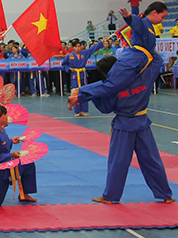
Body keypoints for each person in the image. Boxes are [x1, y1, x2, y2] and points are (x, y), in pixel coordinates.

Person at [68, 52, 174, 204]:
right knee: (152, 160)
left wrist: (91, 95)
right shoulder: (143, 76)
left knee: (118, 162)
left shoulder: (111, 87)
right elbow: (156, 59)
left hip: (124, 126)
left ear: (106, 73)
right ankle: (165, 194)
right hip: (143, 123)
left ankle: (111, 196)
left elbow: (105, 108)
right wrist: (140, 49)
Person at [0, 104, 37, 207]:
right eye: (5, 115)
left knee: (28, 163)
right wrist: (11, 155)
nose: (7, 117)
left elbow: (3, 144)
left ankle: (24, 194)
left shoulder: (1, 130)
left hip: (8, 163)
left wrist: (11, 141)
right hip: (0, 169)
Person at [62, 37, 107, 117]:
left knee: (85, 91)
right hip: (75, 75)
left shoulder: (84, 53)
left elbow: (93, 49)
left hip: (83, 74)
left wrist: (101, 42)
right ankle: (77, 111)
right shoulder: (70, 55)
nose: (78, 48)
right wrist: (69, 69)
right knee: (75, 92)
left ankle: (84, 110)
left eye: (79, 46)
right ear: (73, 47)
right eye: (76, 46)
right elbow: (64, 64)